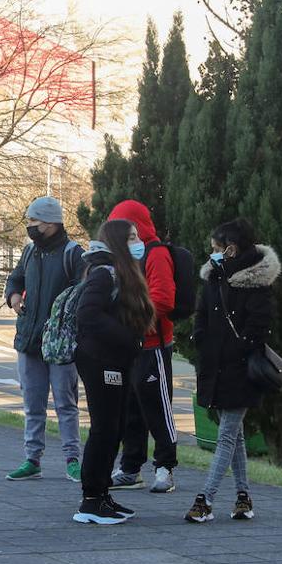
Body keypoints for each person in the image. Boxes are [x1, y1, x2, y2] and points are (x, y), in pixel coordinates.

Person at [186, 218, 280, 524]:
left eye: (215, 249)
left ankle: (206, 499)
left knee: (226, 434)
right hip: (216, 365)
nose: (210, 254)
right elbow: (201, 313)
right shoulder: (214, 277)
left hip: (240, 369)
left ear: (230, 249)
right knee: (235, 435)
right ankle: (243, 497)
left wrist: (235, 348)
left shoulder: (256, 284)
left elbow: (259, 327)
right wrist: (201, 338)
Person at [73, 220, 156, 525]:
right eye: (132, 237)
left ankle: (102, 493)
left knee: (116, 427)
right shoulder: (104, 274)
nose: (138, 241)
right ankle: (91, 500)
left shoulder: (121, 272)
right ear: (119, 242)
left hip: (114, 360)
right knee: (104, 428)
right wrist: (129, 338)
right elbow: (88, 314)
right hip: (100, 360)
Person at [3, 196, 85, 483]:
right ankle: (32, 458)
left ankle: (72, 459)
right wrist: (13, 297)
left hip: (60, 344)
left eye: (34, 221)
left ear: (51, 223)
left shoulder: (74, 254)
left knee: (66, 403)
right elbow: (15, 280)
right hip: (29, 339)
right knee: (32, 403)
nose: (30, 226)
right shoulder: (29, 252)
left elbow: (84, 291)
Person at [107, 199, 178, 494]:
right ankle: (130, 467)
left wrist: (132, 322)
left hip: (152, 344)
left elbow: (163, 298)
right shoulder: (124, 257)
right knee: (130, 410)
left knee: (157, 409)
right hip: (131, 345)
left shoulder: (155, 253)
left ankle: (165, 467)